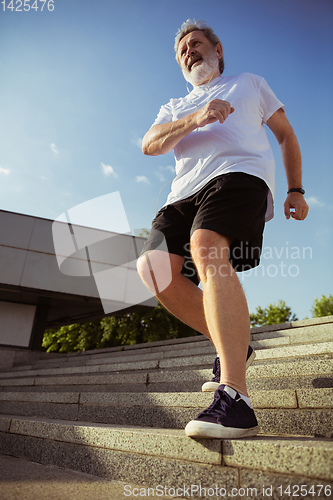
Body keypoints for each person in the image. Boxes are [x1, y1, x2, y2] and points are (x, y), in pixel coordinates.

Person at [137, 19, 309, 439]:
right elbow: (150, 143)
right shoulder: (175, 106)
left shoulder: (249, 83)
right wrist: (197, 117)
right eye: (182, 51)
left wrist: (296, 190)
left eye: (196, 44)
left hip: (239, 174)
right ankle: (235, 343)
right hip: (181, 195)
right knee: (152, 269)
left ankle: (236, 398)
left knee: (206, 243)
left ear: (217, 49)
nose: (189, 52)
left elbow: (285, 135)